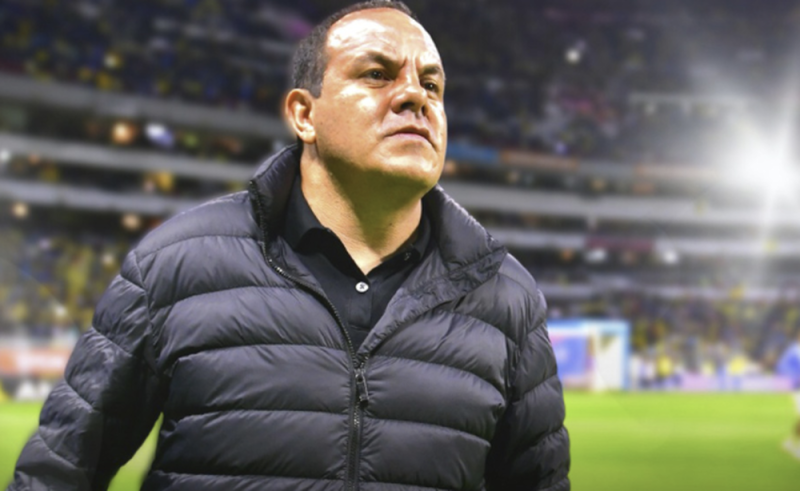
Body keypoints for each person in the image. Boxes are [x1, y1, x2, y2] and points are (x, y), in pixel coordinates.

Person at [9, 1, 570, 490]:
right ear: (304, 114)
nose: (414, 97)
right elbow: (58, 473)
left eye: (432, 85)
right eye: (377, 74)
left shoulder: (507, 298)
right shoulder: (175, 265)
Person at [777, 331, 800, 459]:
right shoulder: (794, 351)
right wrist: (794, 377)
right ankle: (792, 444)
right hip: (797, 388)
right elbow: (781, 367)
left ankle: (790, 443)